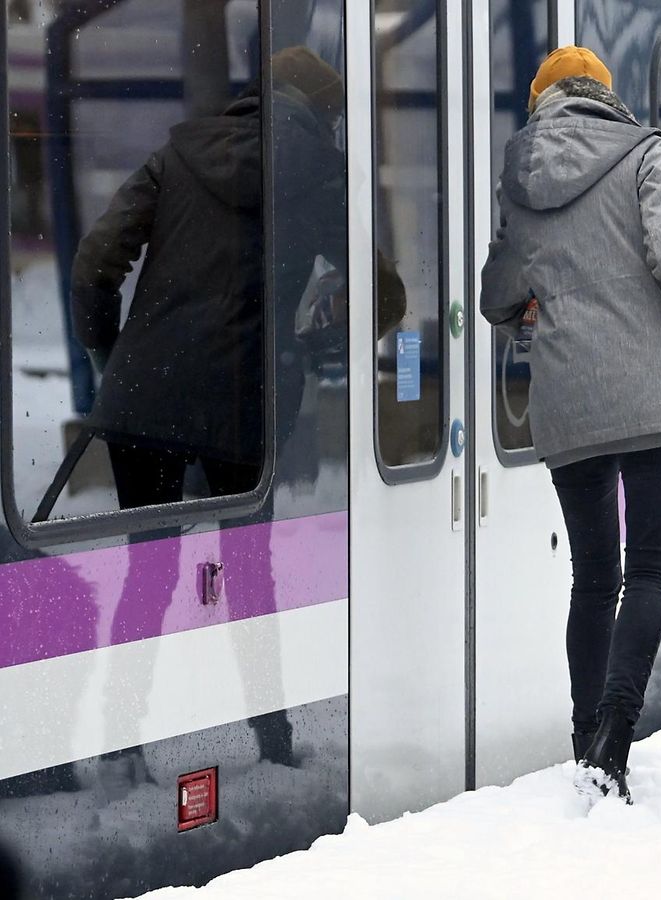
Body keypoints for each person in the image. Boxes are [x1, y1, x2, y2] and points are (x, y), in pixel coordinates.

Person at [69, 46, 403, 768]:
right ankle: (274, 742)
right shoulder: (319, 174)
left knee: (148, 570)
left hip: (145, 395)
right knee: (249, 574)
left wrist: (110, 361)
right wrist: (321, 338)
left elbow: (96, 262)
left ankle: (121, 742)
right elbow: (388, 296)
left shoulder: (180, 152)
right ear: (318, 110)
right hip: (241, 401)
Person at [478, 46, 661, 801]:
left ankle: (584, 731)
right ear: (603, 95)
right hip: (654, 397)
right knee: (651, 570)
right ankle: (614, 737)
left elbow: (501, 288)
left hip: (569, 401)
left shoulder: (522, 172)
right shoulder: (645, 152)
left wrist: (535, 300)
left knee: (594, 576)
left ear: (543, 100)